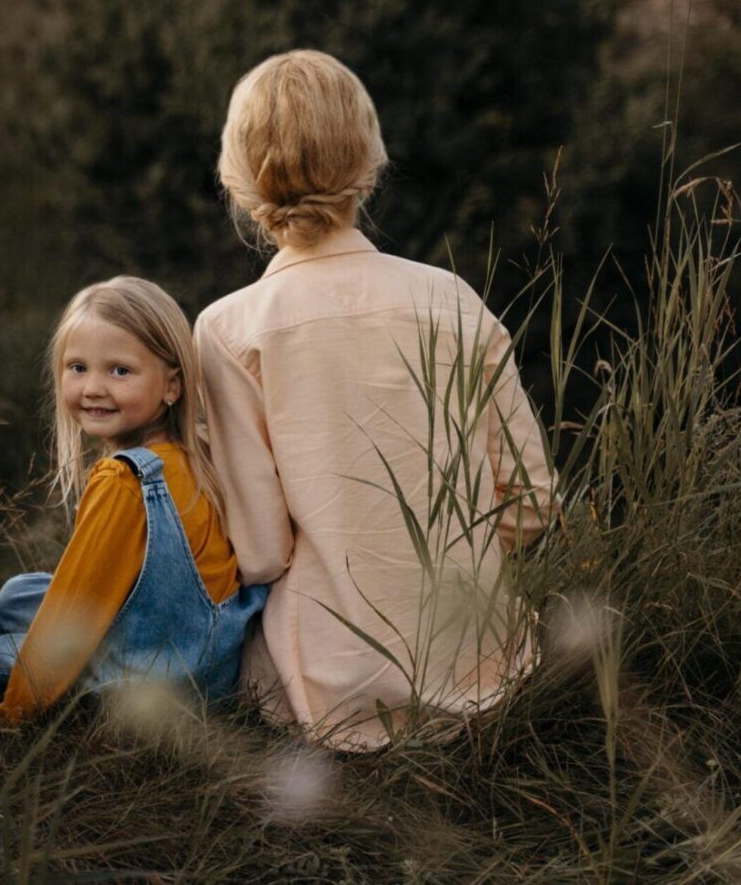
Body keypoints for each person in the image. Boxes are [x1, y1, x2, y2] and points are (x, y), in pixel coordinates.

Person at [194, 49, 557, 751]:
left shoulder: (229, 329)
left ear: (237, 180)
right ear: (370, 165)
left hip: (324, 690)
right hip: (483, 674)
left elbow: (263, 553)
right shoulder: (453, 299)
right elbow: (533, 499)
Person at [0, 277, 266, 726]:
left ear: (172, 385)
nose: (92, 388)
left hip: (152, 684)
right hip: (207, 663)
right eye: (78, 368)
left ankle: (76, 696)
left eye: (119, 371)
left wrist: (12, 711)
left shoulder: (123, 480)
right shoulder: (196, 455)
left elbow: (76, 606)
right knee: (16, 596)